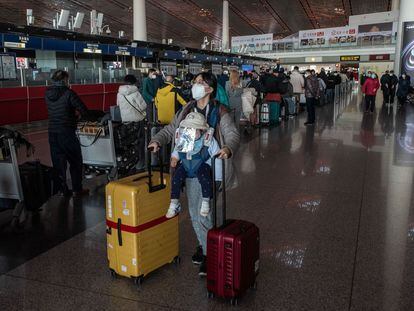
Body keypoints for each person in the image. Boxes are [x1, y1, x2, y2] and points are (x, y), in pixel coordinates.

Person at [148, 72, 239, 276]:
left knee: (201, 213)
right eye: (195, 82)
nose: (195, 85)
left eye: (200, 83)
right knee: (199, 212)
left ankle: (210, 253)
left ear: (210, 89)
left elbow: (232, 134)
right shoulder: (186, 109)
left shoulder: (219, 111)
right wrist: (157, 140)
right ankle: (206, 244)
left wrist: (227, 148)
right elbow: (171, 130)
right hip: (188, 167)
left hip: (209, 167)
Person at [166, 112, 221, 219]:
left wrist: (218, 177)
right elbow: (177, 150)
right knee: (176, 179)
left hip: (201, 165)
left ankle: (206, 201)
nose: (191, 132)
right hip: (185, 165)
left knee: (205, 179)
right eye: (188, 129)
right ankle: (174, 202)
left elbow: (217, 156)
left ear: (202, 130)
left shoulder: (208, 140)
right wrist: (174, 158)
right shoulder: (183, 138)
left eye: (195, 130)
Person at [45, 70, 89, 197]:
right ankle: (77, 189)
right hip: (66, 132)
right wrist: (77, 117)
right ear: (64, 80)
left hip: (52, 132)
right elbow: (83, 110)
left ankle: (62, 190)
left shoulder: (47, 93)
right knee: (75, 161)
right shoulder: (69, 93)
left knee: (58, 163)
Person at [116, 74, 147, 169]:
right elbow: (143, 106)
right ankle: (140, 163)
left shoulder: (119, 93)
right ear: (134, 82)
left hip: (125, 121)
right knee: (140, 142)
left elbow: (117, 105)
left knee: (128, 142)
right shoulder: (135, 92)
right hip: (137, 120)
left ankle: (129, 163)